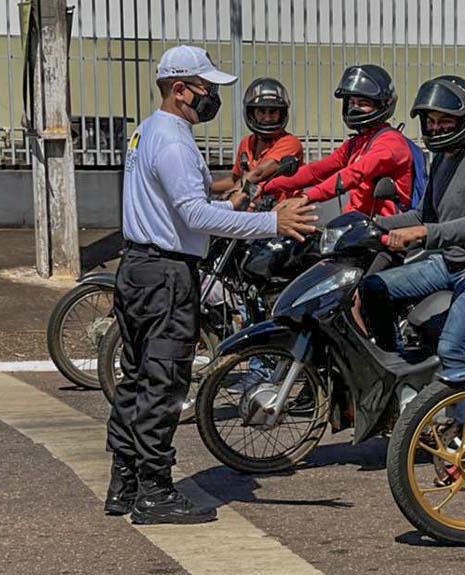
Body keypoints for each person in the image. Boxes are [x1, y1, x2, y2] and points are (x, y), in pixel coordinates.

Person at [105, 45, 318, 525]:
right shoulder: (176, 142)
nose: (211, 98)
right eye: (205, 89)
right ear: (180, 90)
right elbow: (193, 213)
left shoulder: (148, 132)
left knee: (137, 377)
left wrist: (242, 211)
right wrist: (271, 223)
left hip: (140, 267)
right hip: (165, 276)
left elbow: (188, 210)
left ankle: (124, 480)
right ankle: (154, 491)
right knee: (163, 381)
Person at [358, 75, 465, 369]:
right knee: (373, 288)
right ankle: (396, 367)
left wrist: (421, 234)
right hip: (450, 263)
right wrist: (369, 225)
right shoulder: (443, 159)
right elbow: (424, 215)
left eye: (444, 119)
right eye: (430, 120)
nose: (435, 127)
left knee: (451, 348)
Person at [262, 64, 418, 217]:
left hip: (386, 232)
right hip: (358, 225)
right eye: (351, 103)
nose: (354, 108)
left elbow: (356, 173)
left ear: (382, 105)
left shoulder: (391, 143)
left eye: (363, 104)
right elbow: (315, 171)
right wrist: (266, 186)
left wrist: (307, 198)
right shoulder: (357, 143)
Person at [211, 77, 304, 195]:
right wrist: (206, 189)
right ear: (252, 113)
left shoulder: (290, 143)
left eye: (273, 112)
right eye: (261, 111)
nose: (267, 118)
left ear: (282, 113)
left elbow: (259, 174)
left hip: (283, 210)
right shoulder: (247, 143)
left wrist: (230, 196)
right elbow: (236, 181)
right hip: (252, 210)